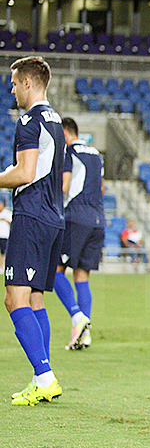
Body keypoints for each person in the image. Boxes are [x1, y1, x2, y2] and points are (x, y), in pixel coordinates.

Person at [0, 56, 65, 406]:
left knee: (14, 299)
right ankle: (43, 377)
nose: (11, 89)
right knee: (35, 297)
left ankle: (44, 376)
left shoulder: (28, 121)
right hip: (54, 218)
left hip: (32, 216)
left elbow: (25, 174)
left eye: (13, 82)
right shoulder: (56, 122)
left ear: (27, 82)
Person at [52, 117, 105, 351]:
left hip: (76, 217)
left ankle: (77, 317)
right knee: (81, 276)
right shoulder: (96, 154)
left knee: (54, 271)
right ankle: (84, 335)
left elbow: (64, 186)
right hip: (98, 219)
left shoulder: (67, 152)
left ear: (65, 131)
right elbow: (102, 188)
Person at [0, 199, 12, 270]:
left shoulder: (7, 213)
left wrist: (5, 220)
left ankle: (3, 267)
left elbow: (11, 222)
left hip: (4, 235)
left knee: (3, 253)